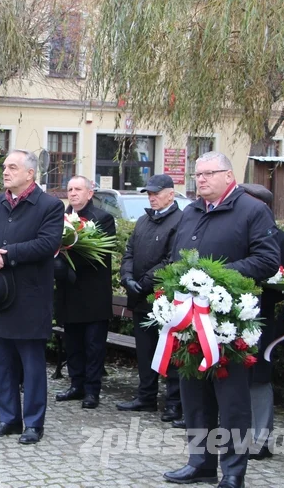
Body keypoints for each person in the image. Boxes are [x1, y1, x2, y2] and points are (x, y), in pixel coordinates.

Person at [162, 151, 279, 488]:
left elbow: (268, 259)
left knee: (232, 401)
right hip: (190, 320)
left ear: (229, 176)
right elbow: (176, 257)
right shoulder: (192, 211)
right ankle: (200, 462)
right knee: (193, 394)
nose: (201, 179)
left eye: (209, 173)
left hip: (229, 321)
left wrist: (215, 277)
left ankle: (233, 471)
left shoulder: (252, 210)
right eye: (197, 174)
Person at [0, 149, 64, 444]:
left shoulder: (50, 205)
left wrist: (6, 254)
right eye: (4, 166)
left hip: (29, 298)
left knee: (32, 365)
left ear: (30, 174)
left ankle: (34, 423)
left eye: (13, 167)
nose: (5, 171)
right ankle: (8, 418)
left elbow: (47, 243)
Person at [117, 174, 183, 422]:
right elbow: (129, 252)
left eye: (156, 193)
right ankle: (146, 396)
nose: (152, 197)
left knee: (170, 351)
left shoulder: (180, 221)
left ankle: (174, 402)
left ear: (170, 194)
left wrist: (143, 283)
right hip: (140, 298)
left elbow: (171, 260)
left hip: (164, 300)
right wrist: (126, 278)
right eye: (149, 193)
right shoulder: (143, 220)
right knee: (145, 351)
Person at [238, 183, 284, 461]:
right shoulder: (235, 231)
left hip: (262, 317)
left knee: (259, 377)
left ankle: (260, 440)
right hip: (234, 316)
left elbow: (282, 280)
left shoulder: (280, 239)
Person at [53, 176, 116, 410]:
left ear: (90, 193)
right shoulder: (61, 219)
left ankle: (92, 390)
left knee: (93, 345)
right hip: (69, 293)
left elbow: (102, 253)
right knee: (73, 343)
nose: (73, 193)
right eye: (69, 189)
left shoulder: (103, 218)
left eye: (78, 189)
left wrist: (67, 256)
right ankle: (76, 384)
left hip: (93, 294)